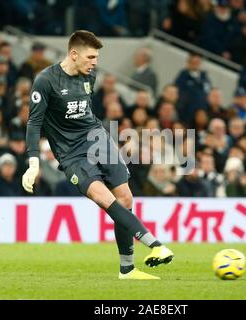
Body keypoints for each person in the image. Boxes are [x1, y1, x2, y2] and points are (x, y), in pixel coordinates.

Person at [23, 30, 173, 280]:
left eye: (96, 57)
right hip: (71, 154)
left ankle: (127, 269)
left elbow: (85, 114)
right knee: (105, 198)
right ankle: (156, 245)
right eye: (91, 56)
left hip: (97, 139)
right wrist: (33, 163)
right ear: (73, 54)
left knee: (125, 198)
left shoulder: (89, 78)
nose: (95, 62)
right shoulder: (45, 80)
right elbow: (33, 123)